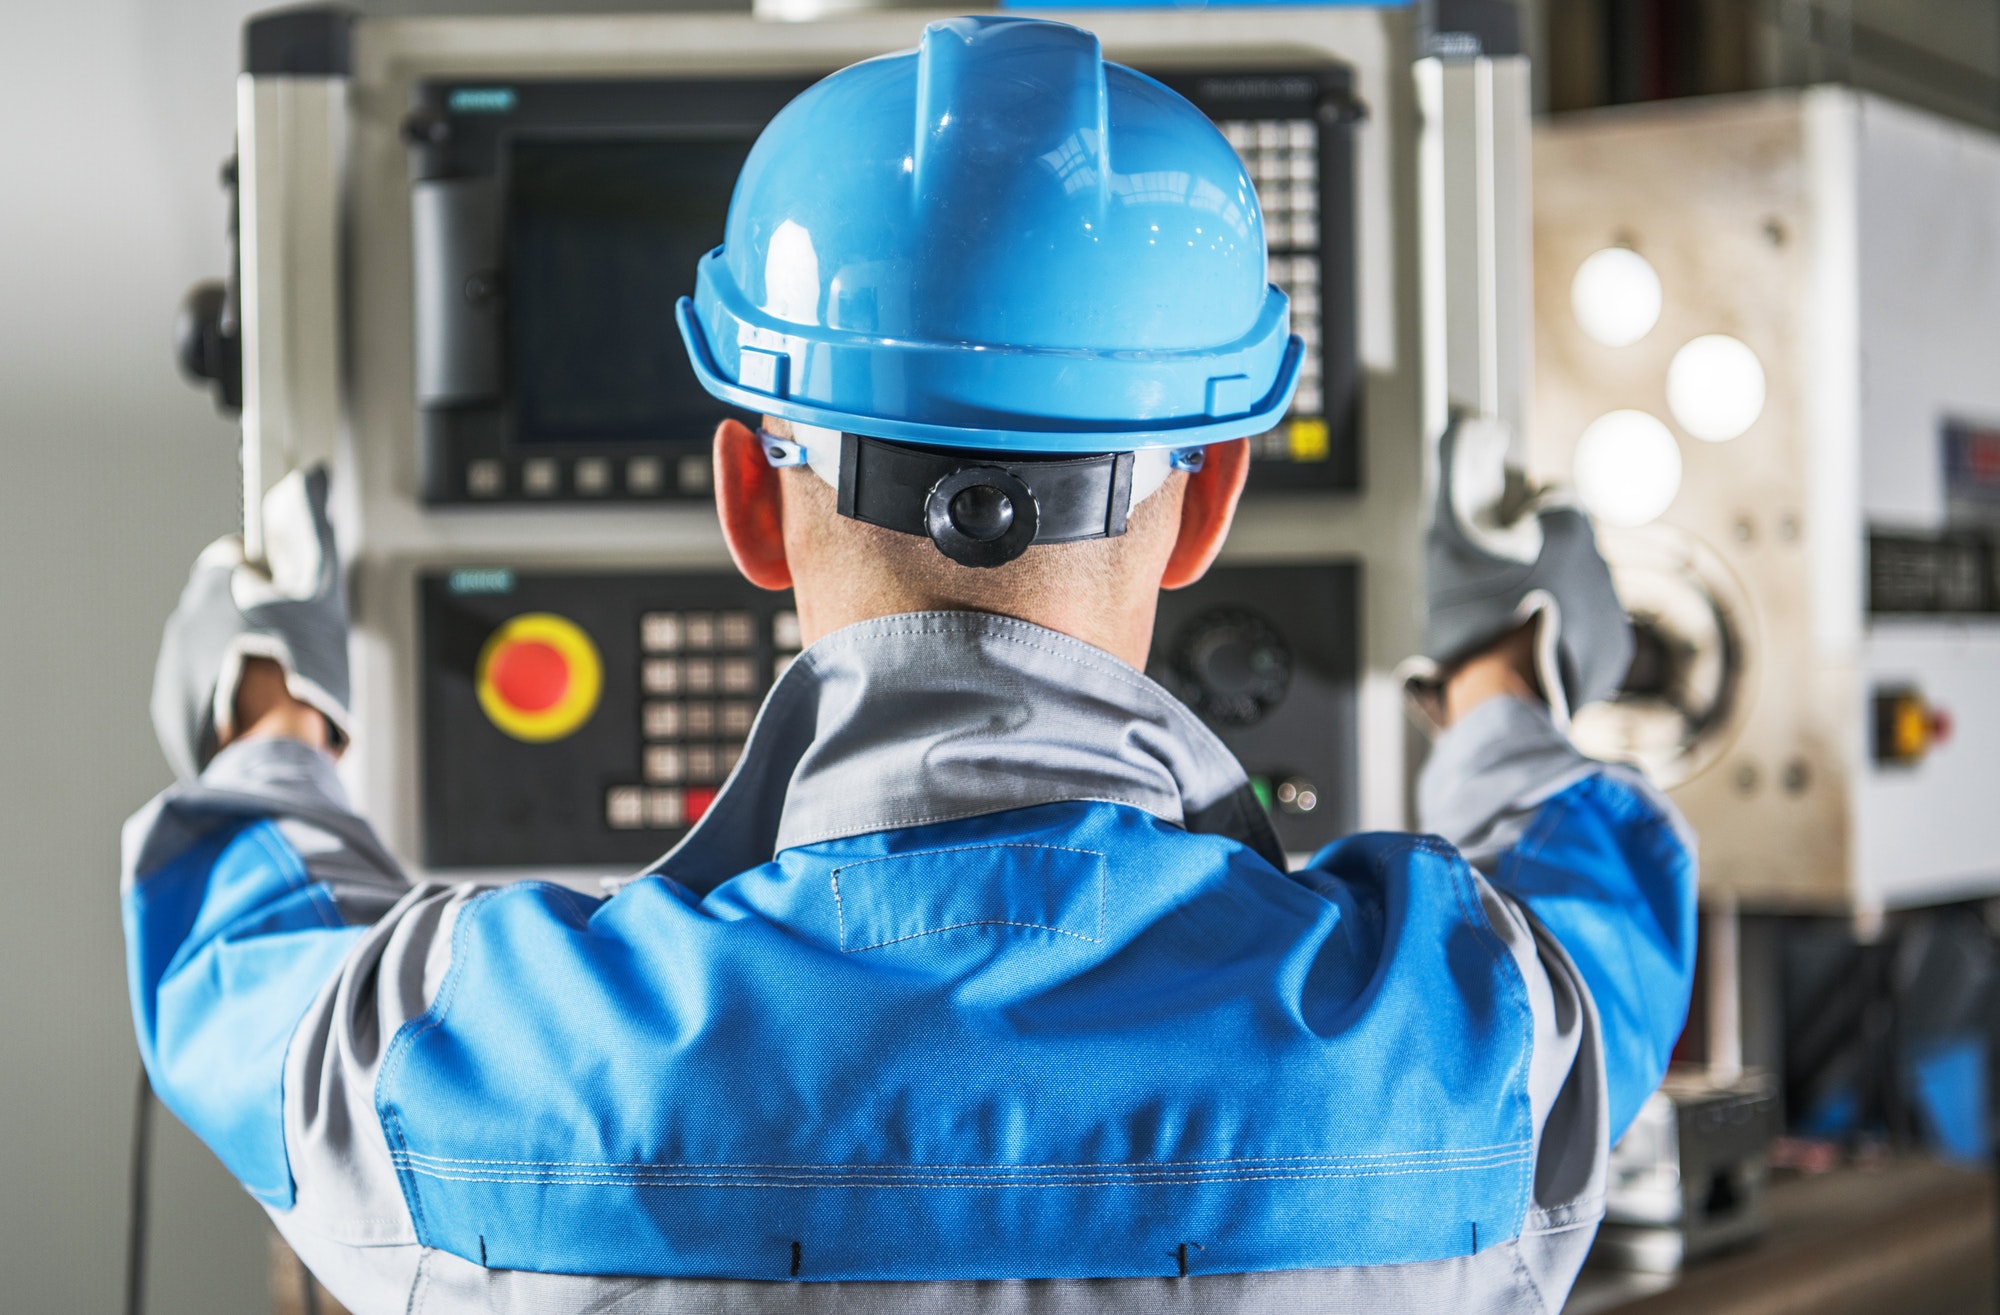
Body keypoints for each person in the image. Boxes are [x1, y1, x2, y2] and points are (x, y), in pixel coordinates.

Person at [126, 16, 1693, 1313]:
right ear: (1209, 499)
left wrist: (274, 702)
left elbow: (230, 965)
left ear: (748, 496)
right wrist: (1505, 665)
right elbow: (1606, 903)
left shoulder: (484, 1051)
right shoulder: (1460, 1035)